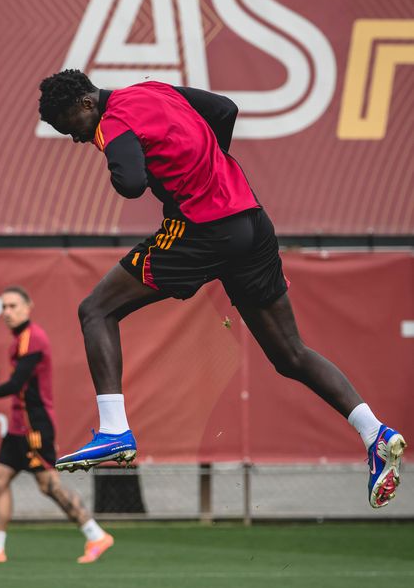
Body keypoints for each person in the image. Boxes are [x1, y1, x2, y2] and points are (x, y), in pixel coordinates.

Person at [37, 70, 406, 509]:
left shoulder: (111, 122)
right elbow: (224, 109)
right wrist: (206, 165)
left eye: (70, 129)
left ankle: (114, 429)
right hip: (250, 221)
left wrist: (139, 168)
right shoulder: (152, 89)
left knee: (95, 310)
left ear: (84, 105)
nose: (77, 140)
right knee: (290, 354)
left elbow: (131, 183)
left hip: (201, 230)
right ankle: (374, 432)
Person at [0, 285, 114, 563]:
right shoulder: (19, 340)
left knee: (49, 486)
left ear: (28, 306)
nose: (7, 312)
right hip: (18, 425)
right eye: (3, 307)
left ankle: (96, 535)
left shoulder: (33, 338)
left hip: (35, 428)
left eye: (13, 306)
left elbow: (16, 384)